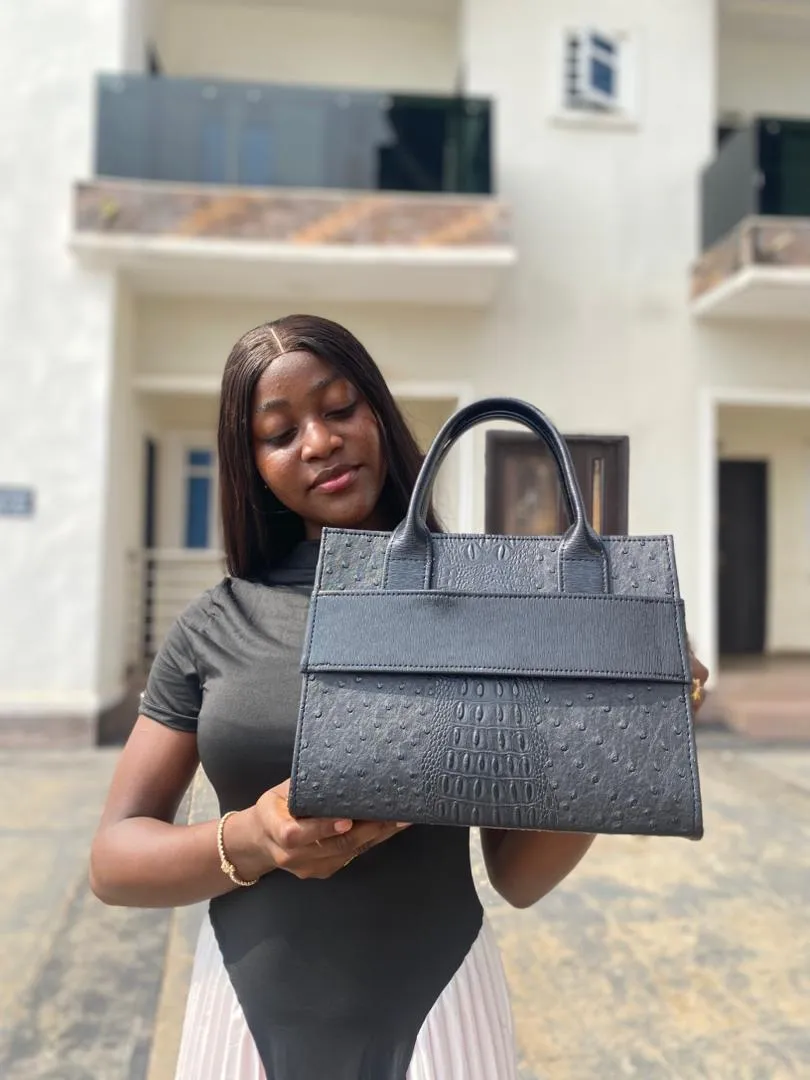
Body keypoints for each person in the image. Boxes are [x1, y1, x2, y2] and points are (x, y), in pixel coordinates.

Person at [90, 314, 709, 1080]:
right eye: (280, 433)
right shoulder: (216, 623)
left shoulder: (483, 605)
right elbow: (113, 861)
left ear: (379, 414)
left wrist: (629, 728)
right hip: (242, 1015)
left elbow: (518, 875)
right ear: (252, 466)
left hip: (443, 1012)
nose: (320, 441)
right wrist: (252, 840)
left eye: (339, 408)